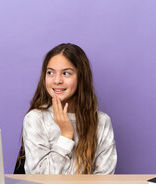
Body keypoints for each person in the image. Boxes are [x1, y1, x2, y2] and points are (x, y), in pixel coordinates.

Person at [21, 43, 117, 174]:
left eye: (66, 73)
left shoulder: (102, 121)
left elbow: (104, 177)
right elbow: (38, 178)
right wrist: (66, 134)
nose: (57, 80)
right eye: (50, 73)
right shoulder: (35, 119)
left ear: (81, 77)